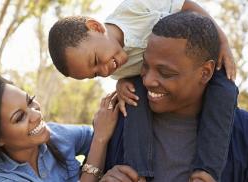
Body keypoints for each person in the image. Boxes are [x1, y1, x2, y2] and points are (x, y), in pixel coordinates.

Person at [48, 0, 237, 180]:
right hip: (152, 80)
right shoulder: (115, 66)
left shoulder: (134, 9)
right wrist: (121, 83)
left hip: (199, 58)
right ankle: (136, 171)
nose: (105, 72)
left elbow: (187, 4)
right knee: (133, 97)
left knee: (226, 90)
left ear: (96, 27)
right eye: (96, 74)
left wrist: (223, 43)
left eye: (96, 61)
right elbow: (136, 73)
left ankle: (207, 172)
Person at [103, 11, 246, 182]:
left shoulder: (243, 133)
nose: (147, 81)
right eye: (145, 66)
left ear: (205, 72)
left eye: (165, 73)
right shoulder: (117, 120)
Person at [0, 75, 121, 182]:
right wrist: (99, 141)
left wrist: (126, 83)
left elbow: (110, 133)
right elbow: (100, 136)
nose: (36, 115)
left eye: (30, 101)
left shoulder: (56, 136)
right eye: (20, 117)